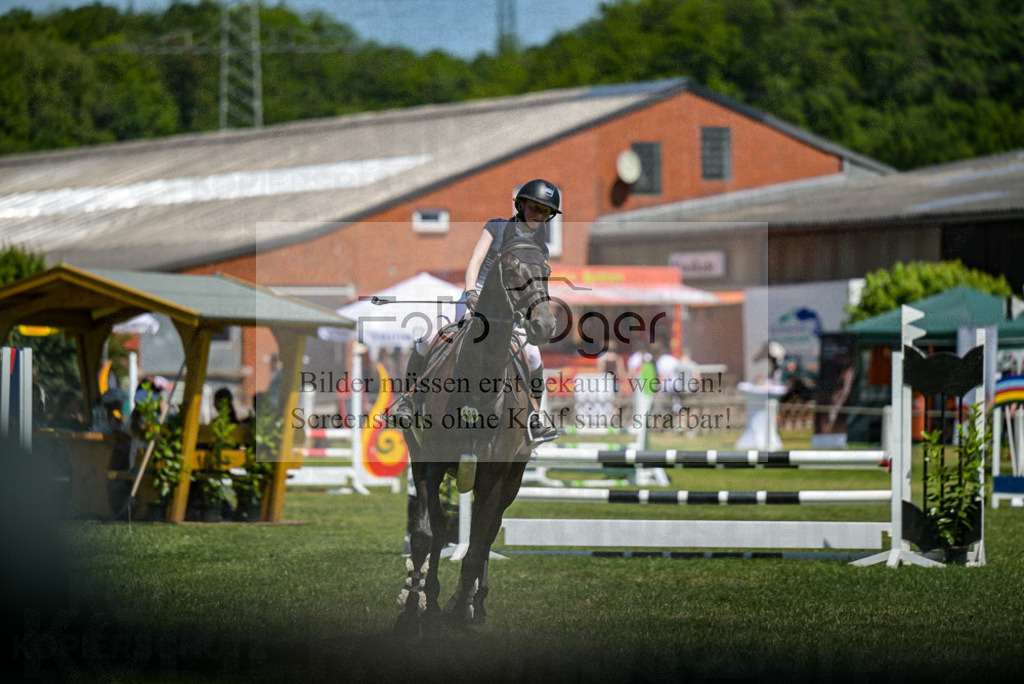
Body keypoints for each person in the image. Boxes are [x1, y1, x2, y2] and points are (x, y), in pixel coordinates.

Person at [392, 179, 562, 443]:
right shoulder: (496, 226)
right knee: (426, 337)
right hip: (477, 293)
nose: (538, 216)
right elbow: (475, 261)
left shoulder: (541, 247)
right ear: (520, 205)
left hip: (510, 307)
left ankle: (534, 418)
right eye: (533, 208)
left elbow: (531, 284)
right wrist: (471, 292)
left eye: (544, 212)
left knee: (535, 357)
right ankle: (408, 400)